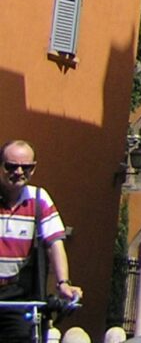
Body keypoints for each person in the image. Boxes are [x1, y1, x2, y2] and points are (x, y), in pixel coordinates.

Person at [0, 141, 80, 343]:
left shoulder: (39, 199)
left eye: (26, 167)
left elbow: (55, 243)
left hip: (19, 296)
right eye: (11, 166)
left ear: (33, 168)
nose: (19, 172)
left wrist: (63, 283)